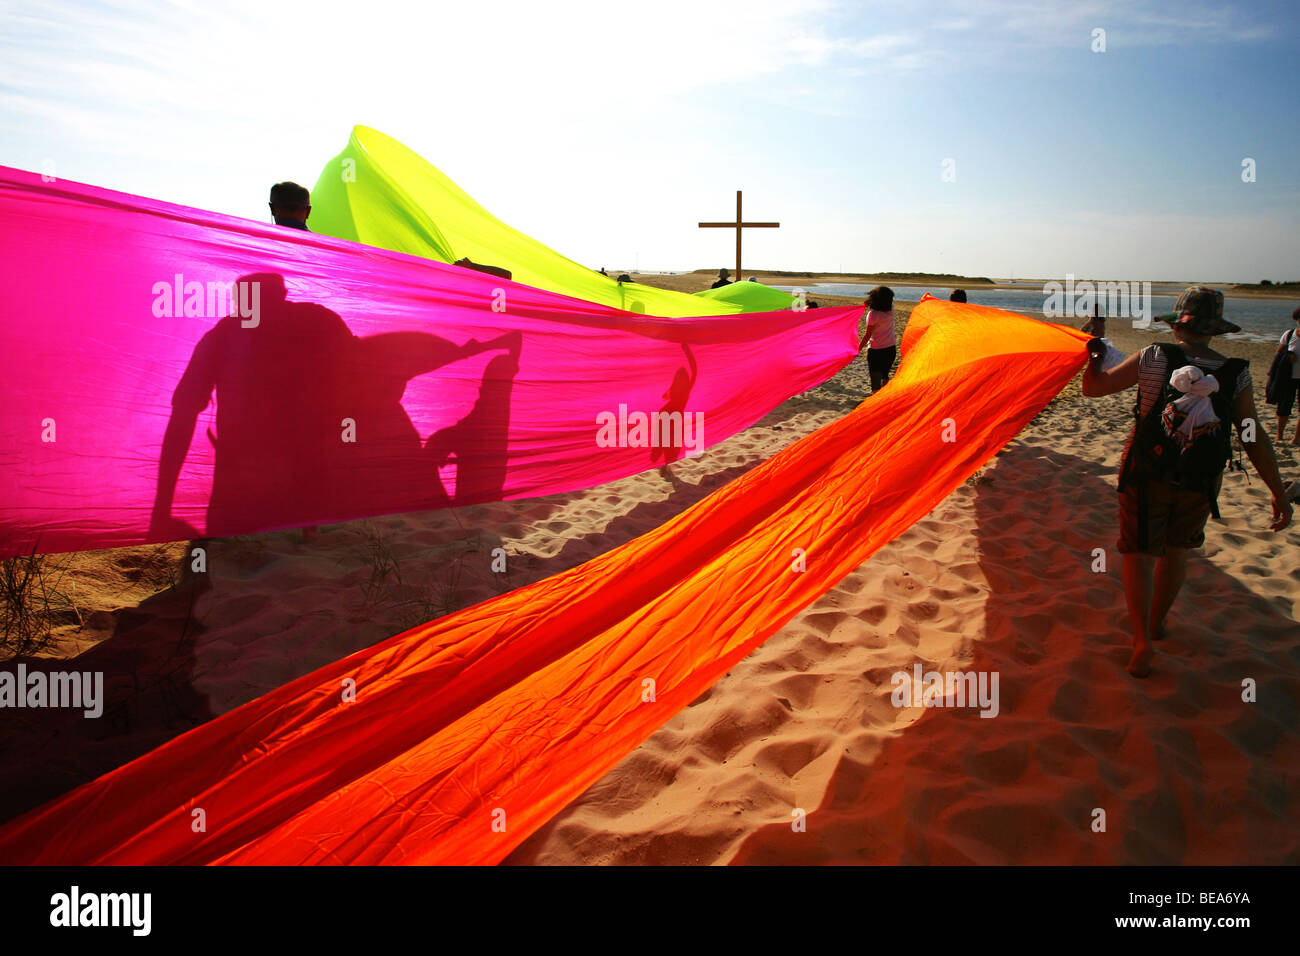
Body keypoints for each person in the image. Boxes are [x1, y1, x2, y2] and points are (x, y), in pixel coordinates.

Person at [1081, 286, 1292, 678]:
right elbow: (1250, 434)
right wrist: (1277, 491)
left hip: (1146, 473)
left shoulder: (1153, 356)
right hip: (1200, 480)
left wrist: (1093, 357)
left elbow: (1094, 389)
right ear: (1216, 331)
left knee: (1140, 554)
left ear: (1178, 325)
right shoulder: (1237, 373)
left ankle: (1141, 639)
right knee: (1177, 553)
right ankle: (1158, 624)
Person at [1267, 307, 1300, 444]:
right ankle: (1279, 434)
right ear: (1297, 320)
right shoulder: (1289, 334)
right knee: (1284, 406)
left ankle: (1297, 438)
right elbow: (1279, 354)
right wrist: (1288, 356)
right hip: (1288, 376)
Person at [858, 286, 896, 393]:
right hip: (890, 349)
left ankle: (876, 402)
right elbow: (885, 302)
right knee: (885, 376)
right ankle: (884, 398)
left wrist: (858, 348)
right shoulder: (891, 310)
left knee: (875, 382)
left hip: (876, 351)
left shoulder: (873, 315)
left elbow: (868, 335)